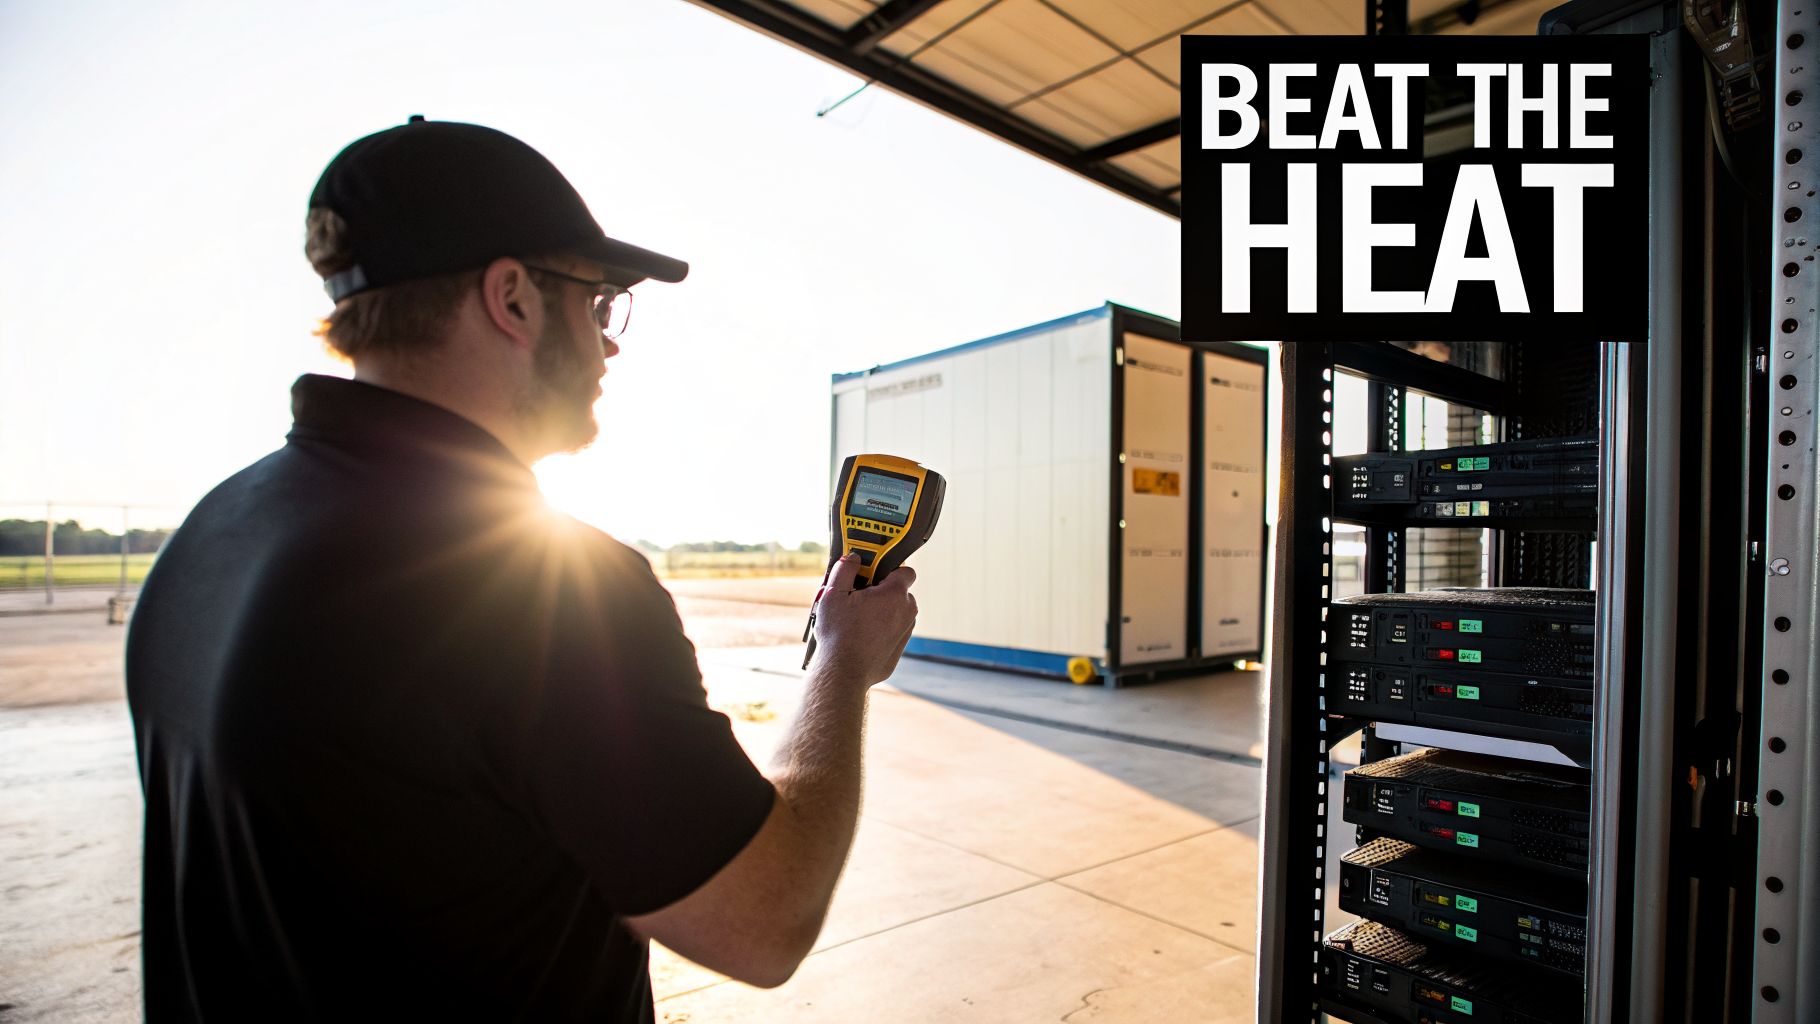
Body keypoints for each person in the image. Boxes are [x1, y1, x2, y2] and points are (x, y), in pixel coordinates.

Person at [124, 117, 918, 1021]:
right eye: (596, 301)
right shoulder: (544, 589)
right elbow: (765, 919)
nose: (609, 343)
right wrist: (843, 663)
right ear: (511, 299)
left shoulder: (211, 534)